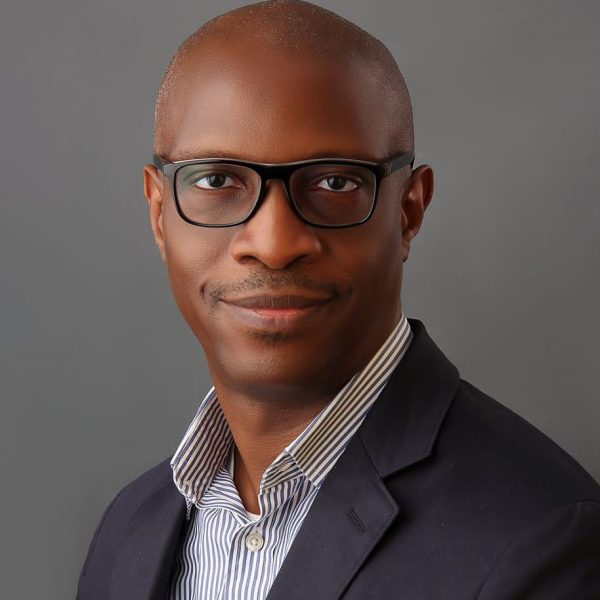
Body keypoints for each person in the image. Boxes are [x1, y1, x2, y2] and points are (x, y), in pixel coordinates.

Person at [76, 1, 600, 598]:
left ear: (409, 211)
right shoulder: (129, 529)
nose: (273, 244)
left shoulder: (542, 540)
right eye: (217, 180)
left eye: (334, 182)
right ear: (159, 213)